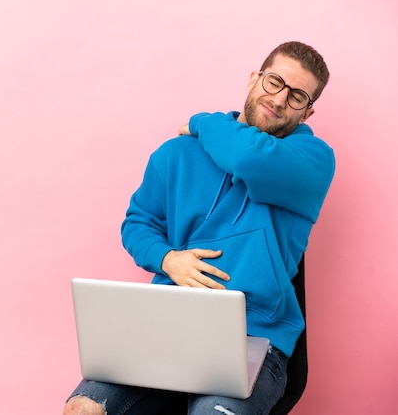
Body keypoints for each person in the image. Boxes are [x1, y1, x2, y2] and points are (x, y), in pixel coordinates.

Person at [64, 41, 335, 415]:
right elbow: (139, 223)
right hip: (167, 324)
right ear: (254, 79)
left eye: (297, 96)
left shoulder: (313, 162)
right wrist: (168, 259)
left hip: (254, 337)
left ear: (308, 111)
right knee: (84, 407)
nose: (280, 99)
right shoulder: (175, 154)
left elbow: (245, 156)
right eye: (274, 82)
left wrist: (202, 122)